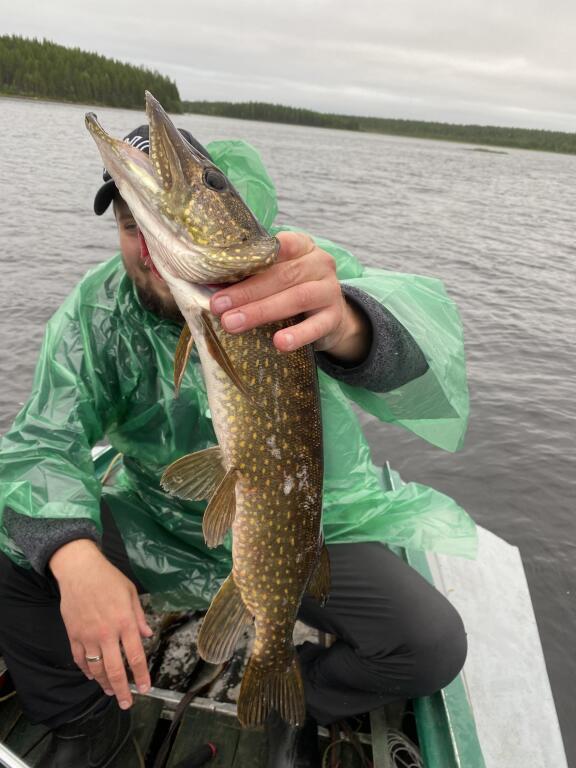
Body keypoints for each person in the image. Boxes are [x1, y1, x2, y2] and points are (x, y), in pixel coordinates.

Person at [0, 125, 472, 768]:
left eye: (159, 219)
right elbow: (41, 440)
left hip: (309, 522)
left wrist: (354, 324)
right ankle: (83, 719)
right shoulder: (98, 309)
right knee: (15, 552)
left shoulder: (292, 274)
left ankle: (297, 693)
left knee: (430, 644)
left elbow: (422, 338)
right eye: (130, 223)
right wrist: (73, 558)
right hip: (157, 518)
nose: (147, 246)